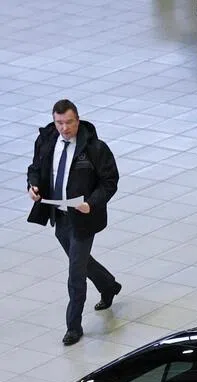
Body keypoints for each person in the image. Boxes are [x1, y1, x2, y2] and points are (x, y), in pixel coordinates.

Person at [26, 100, 121, 346]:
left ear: (77, 120)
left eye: (69, 122)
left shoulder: (95, 148)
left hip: (84, 217)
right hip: (58, 213)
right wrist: (33, 186)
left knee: (75, 272)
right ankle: (109, 285)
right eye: (59, 123)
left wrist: (91, 202)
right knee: (80, 261)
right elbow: (35, 168)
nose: (64, 128)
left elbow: (110, 181)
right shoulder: (47, 141)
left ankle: (73, 326)